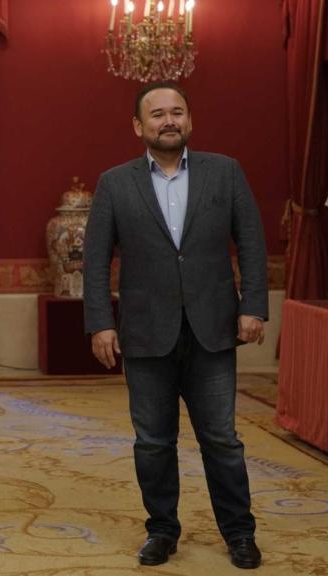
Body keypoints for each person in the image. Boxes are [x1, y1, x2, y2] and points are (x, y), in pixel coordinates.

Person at [83, 81, 267, 570]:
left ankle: (240, 533)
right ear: (138, 127)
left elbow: (250, 240)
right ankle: (162, 531)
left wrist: (255, 306)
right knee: (153, 442)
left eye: (177, 112)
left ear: (190, 120)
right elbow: (96, 261)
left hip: (213, 328)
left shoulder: (225, 172)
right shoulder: (114, 183)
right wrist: (100, 324)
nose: (169, 121)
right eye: (158, 114)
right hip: (145, 333)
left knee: (222, 439)